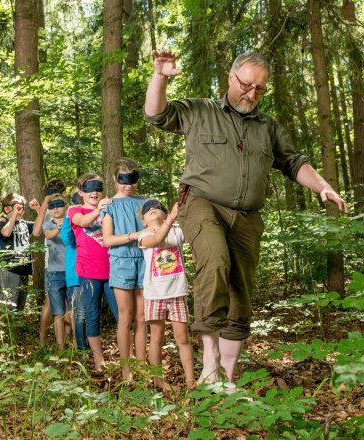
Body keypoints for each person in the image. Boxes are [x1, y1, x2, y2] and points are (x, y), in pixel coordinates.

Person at [144, 50, 349, 385]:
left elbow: (294, 162)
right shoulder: (201, 111)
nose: (251, 94)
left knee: (240, 294)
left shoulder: (268, 127)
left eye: (260, 89)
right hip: (202, 203)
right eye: (246, 85)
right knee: (215, 260)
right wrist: (160, 77)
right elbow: (156, 114)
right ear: (231, 77)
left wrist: (323, 186)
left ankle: (226, 378)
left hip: (248, 217)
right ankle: (209, 360)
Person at [137, 199, 194, 389]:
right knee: (157, 338)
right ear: (144, 221)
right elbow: (156, 240)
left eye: (158, 207)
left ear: (165, 213)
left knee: (183, 338)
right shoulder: (144, 236)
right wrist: (171, 218)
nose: (153, 209)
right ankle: (159, 381)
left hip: (177, 293)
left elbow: (193, 232)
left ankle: (190, 381)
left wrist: (180, 214)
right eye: (148, 209)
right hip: (154, 295)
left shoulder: (177, 232)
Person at [101, 158, 149, 380]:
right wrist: (133, 235)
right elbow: (108, 239)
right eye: (123, 180)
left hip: (144, 261)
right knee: (125, 316)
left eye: (132, 180)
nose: (128, 185)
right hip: (121, 263)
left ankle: (141, 365)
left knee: (142, 316)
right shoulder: (109, 205)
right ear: (115, 179)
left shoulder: (145, 203)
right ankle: (126, 367)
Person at [69, 173, 119, 372]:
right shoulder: (74, 210)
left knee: (123, 315)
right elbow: (83, 222)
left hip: (114, 270)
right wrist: (99, 209)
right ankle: (99, 360)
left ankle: (128, 357)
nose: (94, 192)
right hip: (89, 272)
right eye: (89, 189)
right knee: (92, 315)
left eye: (98, 188)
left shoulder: (110, 208)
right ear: (81, 192)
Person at [30, 178, 68, 344]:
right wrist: (44, 204)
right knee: (50, 303)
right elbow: (36, 232)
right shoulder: (49, 212)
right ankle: (42, 342)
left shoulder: (68, 211)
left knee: (67, 305)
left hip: (70, 264)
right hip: (52, 265)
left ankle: (66, 341)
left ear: (64, 194)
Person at [41, 193, 72, 349]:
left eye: (59, 205)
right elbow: (49, 235)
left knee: (71, 311)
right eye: (51, 206)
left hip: (72, 271)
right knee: (58, 311)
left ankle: (68, 341)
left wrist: (67, 224)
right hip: (54, 273)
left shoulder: (72, 222)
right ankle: (60, 347)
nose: (55, 209)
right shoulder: (47, 224)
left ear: (65, 206)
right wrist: (60, 227)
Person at [60, 189, 89, 351]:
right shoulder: (71, 218)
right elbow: (67, 239)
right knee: (80, 313)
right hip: (75, 273)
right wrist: (68, 218)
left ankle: (88, 345)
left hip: (93, 271)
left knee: (90, 312)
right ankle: (82, 348)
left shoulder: (93, 217)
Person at [0, 193, 34, 312]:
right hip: (11, 270)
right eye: (17, 207)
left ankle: (16, 324)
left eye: (22, 207)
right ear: (7, 209)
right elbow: (6, 233)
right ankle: (5, 324)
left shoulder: (24, 223)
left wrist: (39, 209)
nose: (21, 211)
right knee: (8, 308)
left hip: (24, 269)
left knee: (19, 308)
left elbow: (38, 229)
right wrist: (14, 215)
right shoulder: (2, 222)